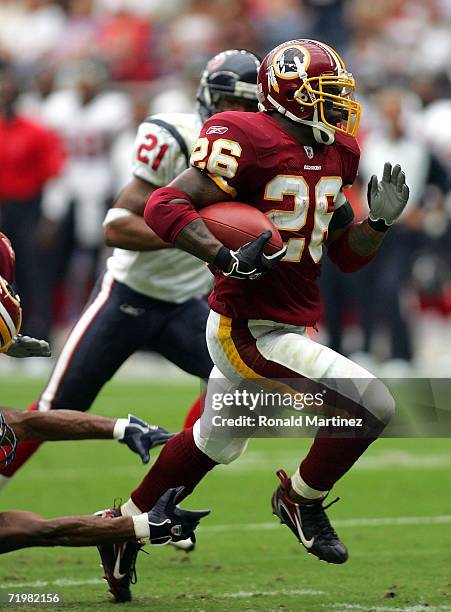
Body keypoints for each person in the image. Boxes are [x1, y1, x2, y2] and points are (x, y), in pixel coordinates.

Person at [99, 38, 410, 599]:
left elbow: (344, 254)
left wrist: (379, 225)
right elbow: (163, 205)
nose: (338, 105)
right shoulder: (243, 136)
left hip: (288, 321)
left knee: (215, 440)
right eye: (325, 93)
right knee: (371, 403)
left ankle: (124, 525)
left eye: (339, 92)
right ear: (289, 95)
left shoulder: (340, 150)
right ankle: (300, 500)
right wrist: (222, 257)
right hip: (248, 326)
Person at [3, 50, 261, 496]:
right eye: (227, 103)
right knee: (56, 408)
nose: (235, 115)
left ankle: (162, 499)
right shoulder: (178, 138)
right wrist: (196, 235)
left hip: (184, 304)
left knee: (235, 384)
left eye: (247, 106)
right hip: (127, 296)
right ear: (206, 99)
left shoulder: (262, 154)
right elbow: (115, 225)